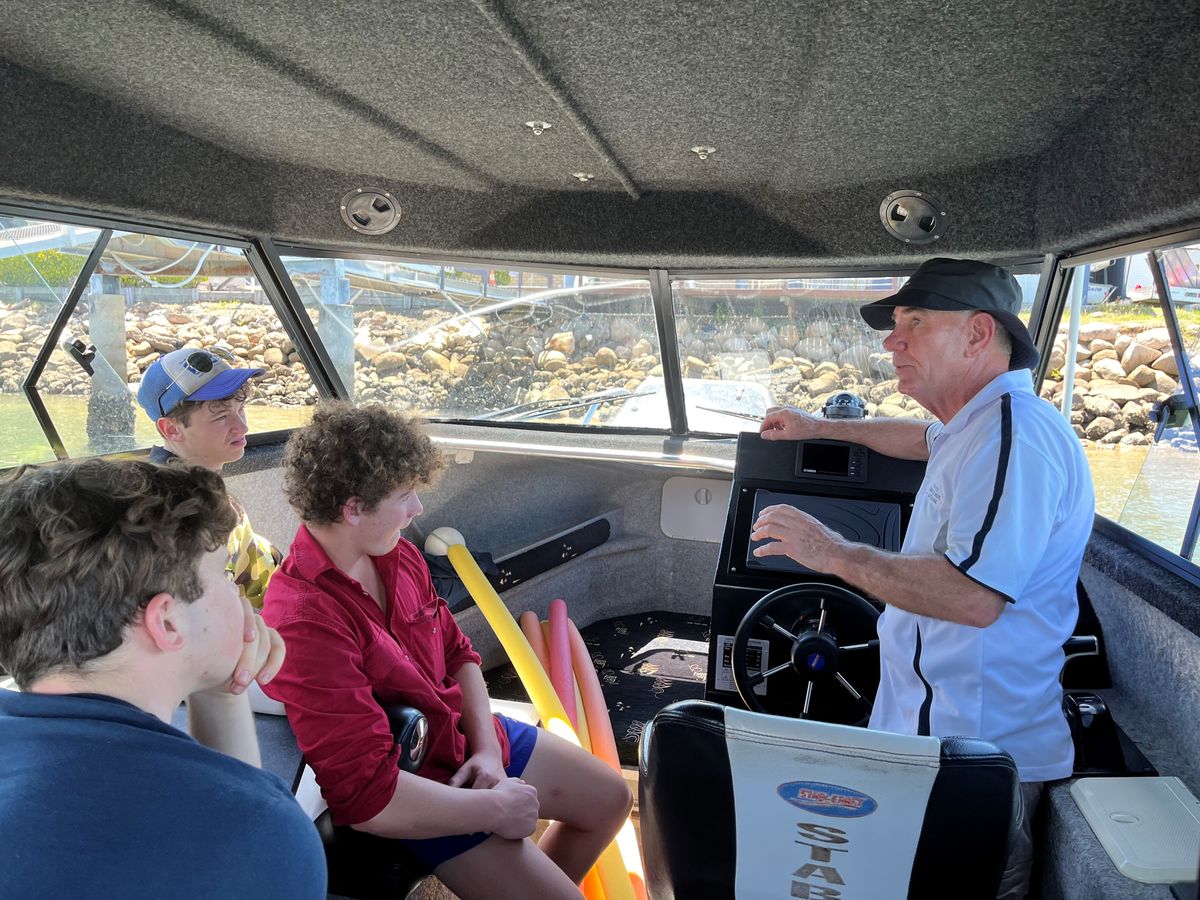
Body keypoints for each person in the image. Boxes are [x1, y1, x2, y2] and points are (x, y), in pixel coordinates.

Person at [752, 258, 1094, 899]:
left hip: (974, 755)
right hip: (926, 740)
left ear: (977, 334)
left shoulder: (1014, 436)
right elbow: (921, 439)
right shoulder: (973, 426)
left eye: (915, 322)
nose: (892, 341)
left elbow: (974, 597)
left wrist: (830, 552)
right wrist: (820, 427)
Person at [262, 403, 631, 900]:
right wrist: (496, 810)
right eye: (404, 495)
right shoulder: (304, 620)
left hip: (462, 735)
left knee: (611, 799)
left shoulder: (399, 553)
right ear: (352, 510)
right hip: (422, 787)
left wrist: (487, 752)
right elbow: (369, 799)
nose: (417, 509)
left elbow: (459, 655)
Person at [0, 459, 324, 899]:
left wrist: (222, 690)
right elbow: (241, 829)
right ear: (167, 622)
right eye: (225, 575)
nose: (243, 601)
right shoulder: (258, 833)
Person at [137, 346, 280, 609]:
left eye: (241, 409)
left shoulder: (211, 495)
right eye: (222, 417)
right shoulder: (171, 517)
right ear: (171, 429)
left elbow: (255, 565)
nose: (243, 427)